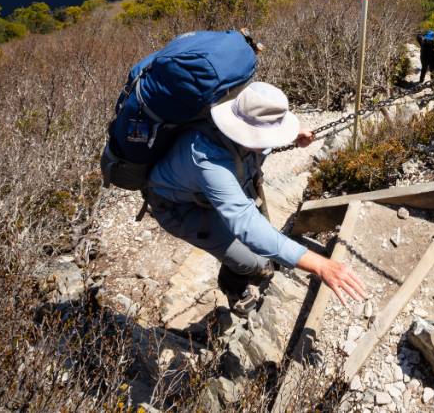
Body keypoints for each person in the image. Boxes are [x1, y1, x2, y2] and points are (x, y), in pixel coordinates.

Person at [144, 81, 367, 306]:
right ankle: (234, 291)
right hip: (178, 207)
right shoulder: (208, 159)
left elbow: (257, 137)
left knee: (258, 245)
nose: (268, 143)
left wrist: (291, 135)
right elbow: (246, 225)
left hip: (202, 192)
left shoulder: (236, 121)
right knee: (251, 260)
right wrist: (321, 265)